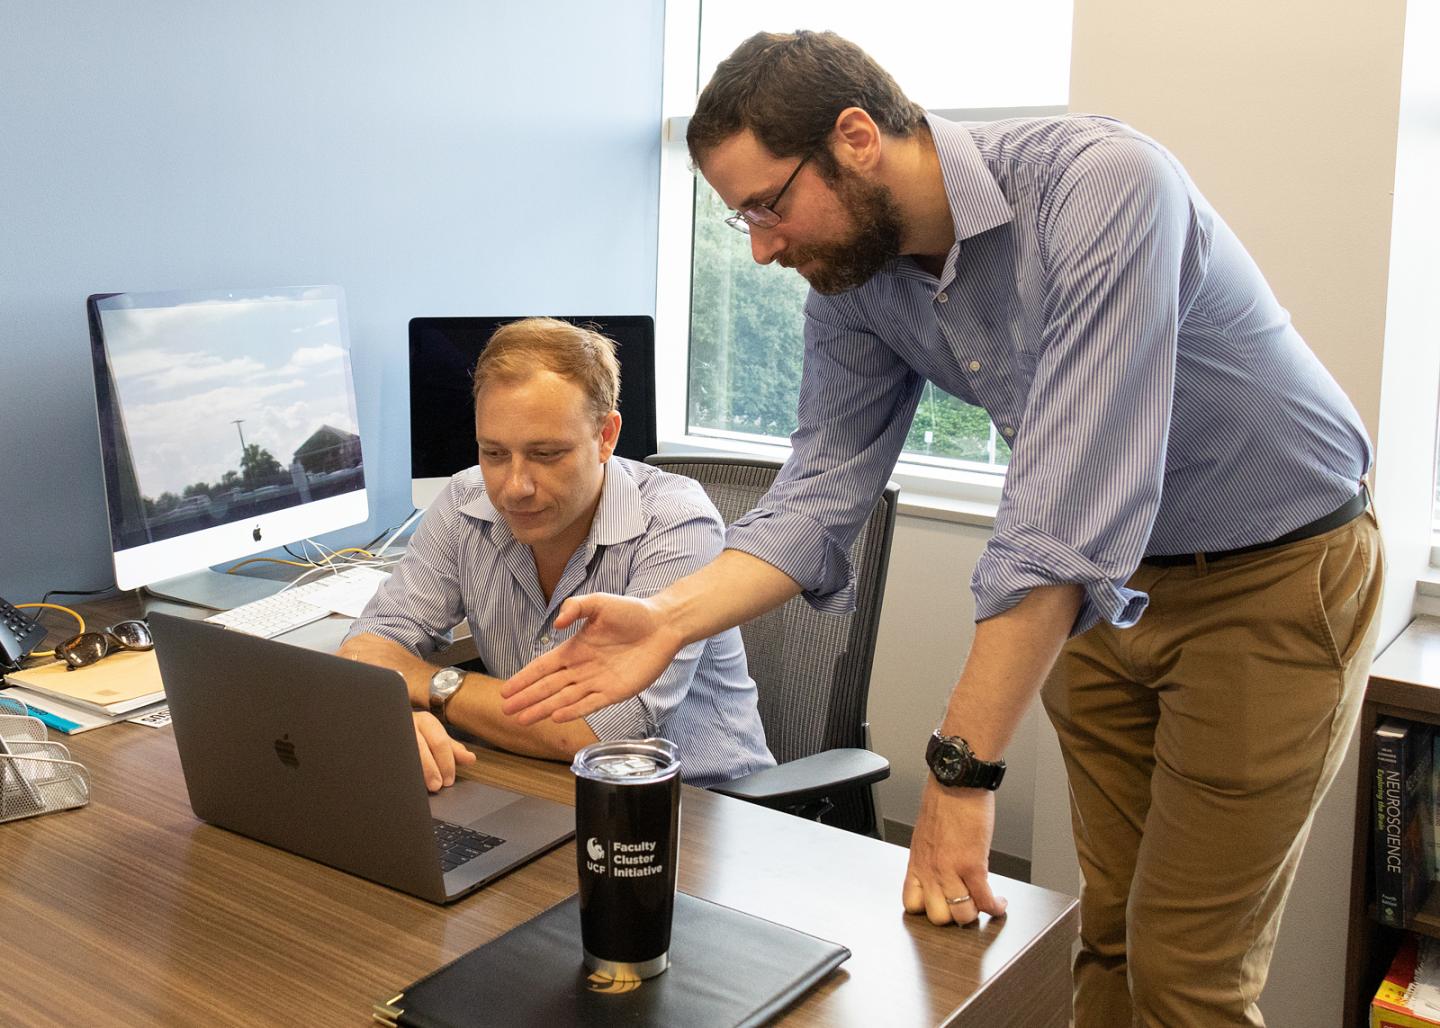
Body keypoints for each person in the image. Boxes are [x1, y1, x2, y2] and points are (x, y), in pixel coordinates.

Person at [499, 30, 1385, 1027]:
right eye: (739, 215)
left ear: (857, 136)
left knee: (1188, 972)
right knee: (1108, 937)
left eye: (768, 203)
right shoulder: (857, 279)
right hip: (1105, 596)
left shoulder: (1103, 187)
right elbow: (819, 493)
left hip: (1270, 572)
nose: (760, 244)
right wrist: (670, 616)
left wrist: (960, 771)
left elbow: (1063, 504)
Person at [339, 317, 773, 792]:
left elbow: (592, 731)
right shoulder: (465, 503)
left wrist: (431, 685)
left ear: (606, 436)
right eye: (494, 453)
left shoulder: (675, 522)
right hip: (539, 787)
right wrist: (403, 711)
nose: (514, 488)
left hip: (703, 806)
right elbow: (365, 649)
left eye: (546, 454)